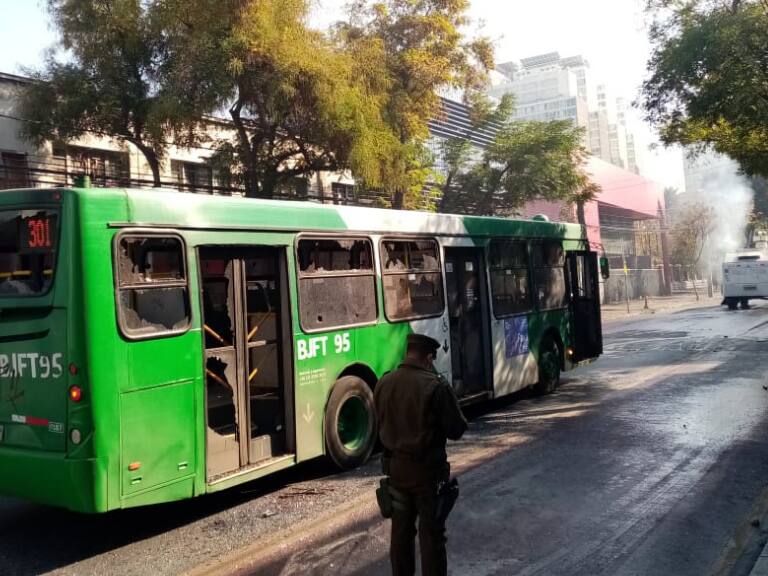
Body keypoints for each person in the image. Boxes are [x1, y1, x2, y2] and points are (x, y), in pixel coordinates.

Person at [374, 333, 468, 576]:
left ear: (408, 353)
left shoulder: (385, 382)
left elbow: (379, 420)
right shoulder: (435, 386)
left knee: (401, 535)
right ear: (429, 357)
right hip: (427, 474)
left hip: (396, 471)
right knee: (431, 536)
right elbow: (456, 429)